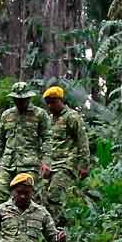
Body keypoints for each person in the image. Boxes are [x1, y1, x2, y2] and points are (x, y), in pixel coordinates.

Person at [0, 83, 50, 207]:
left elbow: (47, 139)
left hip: (29, 164)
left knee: (28, 198)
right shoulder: (7, 115)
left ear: (29, 98)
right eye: (16, 99)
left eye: (23, 100)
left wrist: (46, 161)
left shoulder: (40, 114)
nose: (20, 102)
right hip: (8, 164)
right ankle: (2, 219)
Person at [40, 84, 90, 226]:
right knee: (43, 197)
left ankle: (58, 228)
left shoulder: (72, 117)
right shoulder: (50, 120)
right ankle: (59, 225)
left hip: (67, 164)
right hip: (51, 164)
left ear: (60, 100)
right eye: (48, 103)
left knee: (54, 195)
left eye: (53, 102)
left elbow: (82, 141)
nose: (50, 106)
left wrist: (84, 165)